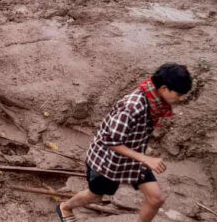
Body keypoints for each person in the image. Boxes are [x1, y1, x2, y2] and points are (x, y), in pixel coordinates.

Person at [57, 63, 193, 222]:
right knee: (95, 197)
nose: (180, 98)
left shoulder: (154, 103)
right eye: (179, 94)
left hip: (132, 160)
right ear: (164, 88)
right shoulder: (132, 106)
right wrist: (145, 158)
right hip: (107, 162)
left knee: (156, 199)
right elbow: (111, 141)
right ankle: (65, 208)